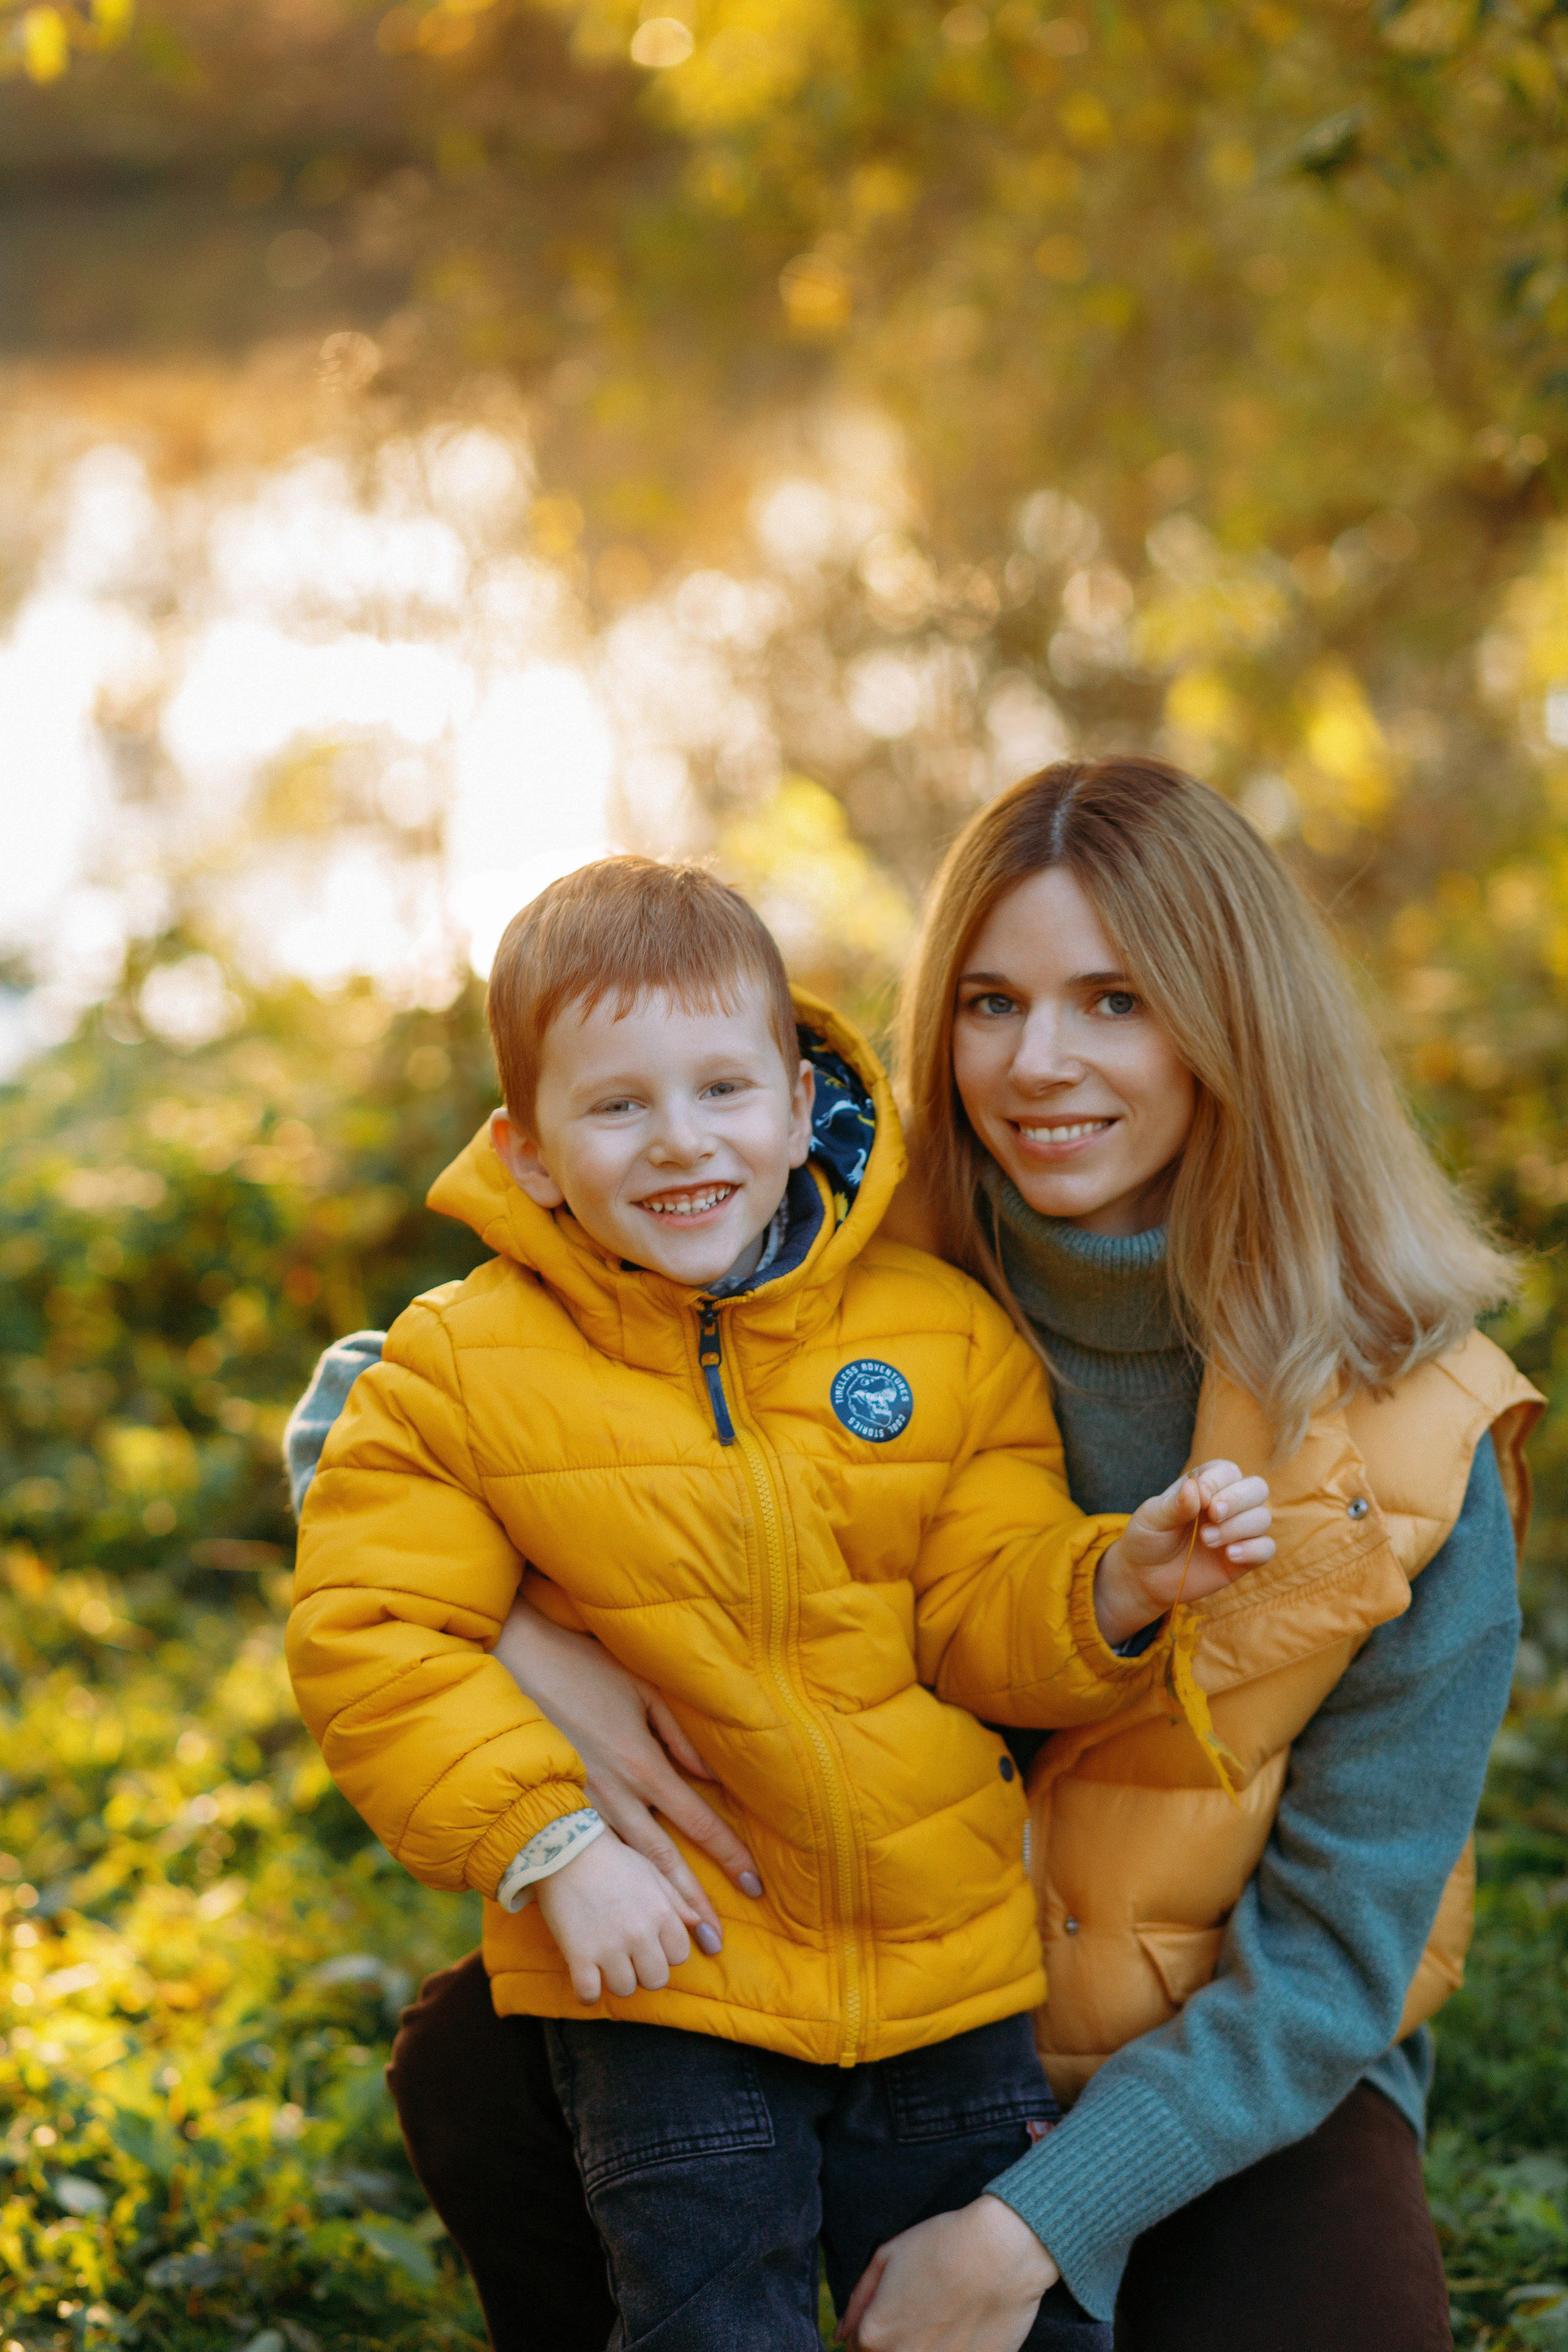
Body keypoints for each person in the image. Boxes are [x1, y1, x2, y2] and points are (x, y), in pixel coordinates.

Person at [289, 760, 1538, 2352]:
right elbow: (371, 1408)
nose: (1041, 1062)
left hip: (1199, 2049)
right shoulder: (848, 1258)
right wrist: (544, 1664)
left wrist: (1025, 2235)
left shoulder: (1413, 1425)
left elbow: (1335, 1959)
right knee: (484, 2054)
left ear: (1235, 1023)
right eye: (992, 1002)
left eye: (1114, 1001)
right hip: (834, 1950)